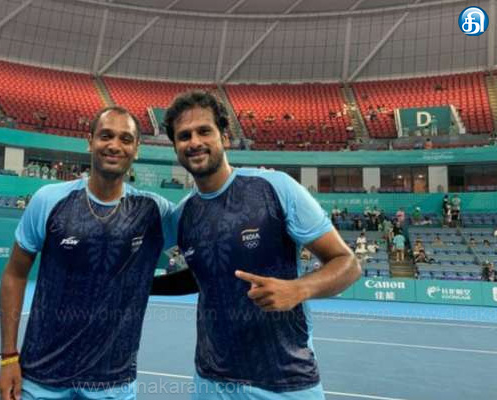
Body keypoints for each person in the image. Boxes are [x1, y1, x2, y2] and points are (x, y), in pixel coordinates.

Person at [151, 91, 360, 399]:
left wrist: (298, 289)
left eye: (204, 131)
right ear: (176, 147)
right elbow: (203, 276)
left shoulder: (274, 187)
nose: (194, 142)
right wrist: (143, 286)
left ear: (225, 137)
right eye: (184, 136)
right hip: (211, 383)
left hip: (285, 382)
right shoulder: (183, 215)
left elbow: (347, 263)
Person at [0, 106, 174, 400]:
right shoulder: (48, 200)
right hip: (41, 381)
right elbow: (14, 275)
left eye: (125, 139)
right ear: (89, 141)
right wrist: (8, 358)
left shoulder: (153, 211)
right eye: (106, 136)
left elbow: (211, 233)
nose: (114, 145)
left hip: (112, 385)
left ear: (137, 149)